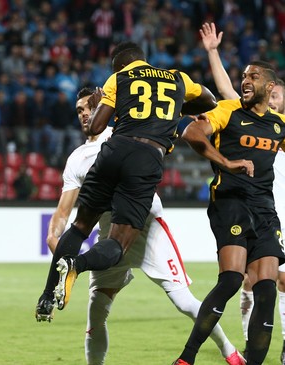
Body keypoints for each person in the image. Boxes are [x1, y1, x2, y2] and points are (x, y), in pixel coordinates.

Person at [43, 87, 244, 365]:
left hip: (148, 228)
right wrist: (55, 244)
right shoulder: (77, 158)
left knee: (183, 301)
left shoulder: (124, 134)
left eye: (89, 106)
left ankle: (229, 351)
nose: (84, 113)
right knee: (96, 313)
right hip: (109, 235)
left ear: (104, 106)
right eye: (79, 110)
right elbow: (63, 214)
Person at [36, 41, 216, 316]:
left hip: (114, 151)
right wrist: (176, 108)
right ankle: (78, 265)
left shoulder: (118, 78)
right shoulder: (178, 79)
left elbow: (97, 127)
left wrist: (110, 105)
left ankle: (47, 296)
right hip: (146, 158)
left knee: (80, 227)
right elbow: (209, 100)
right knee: (118, 244)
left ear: (121, 65)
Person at [172, 59, 285, 364]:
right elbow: (193, 133)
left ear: (269, 86)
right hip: (230, 201)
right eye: (244, 75)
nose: (246, 80)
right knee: (233, 280)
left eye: (254, 76)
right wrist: (227, 162)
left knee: (266, 289)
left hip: (264, 209)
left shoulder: (278, 124)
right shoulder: (228, 110)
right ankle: (187, 357)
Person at [200, 21, 285, 364]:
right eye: (274, 95)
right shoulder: (250, 118)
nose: (274, 99)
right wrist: (213, 53)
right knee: (251, 282)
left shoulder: (279, 128)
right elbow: (227, 94)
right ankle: (254, 348)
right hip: (259, 206)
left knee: (275, 281)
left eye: (279, 95)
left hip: (268, 206)